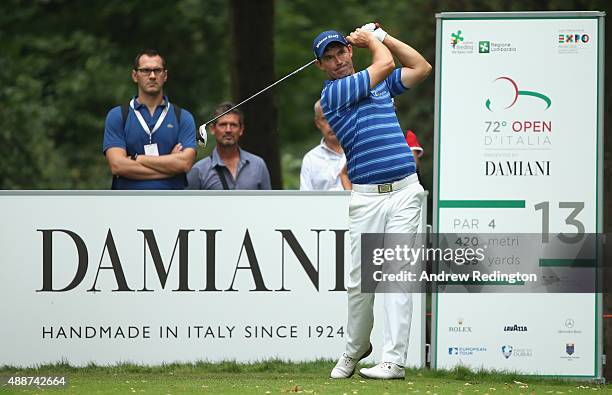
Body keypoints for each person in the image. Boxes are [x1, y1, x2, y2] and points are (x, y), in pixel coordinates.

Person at [313, 23, 431, 379]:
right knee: (360, 283)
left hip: (405, 191)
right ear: (321, 66)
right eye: (328, 58)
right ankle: (355, 349)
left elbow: (421, 67)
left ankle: (393, 361)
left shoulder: (377, 83)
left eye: (341, 52)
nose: (337, 61)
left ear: (349, 53)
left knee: (397, 276)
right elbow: (385, 66)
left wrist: (383, 37)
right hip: (366, 198)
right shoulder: (333, 93)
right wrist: (371, 41)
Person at [103, 49, 197, 189]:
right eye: (146, 70)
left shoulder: (183, 117)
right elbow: (118, 166)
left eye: (157, 70)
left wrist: (136, 158)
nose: (152, 76)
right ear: (135, 76)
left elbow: (185, 164)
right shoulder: (118, 116)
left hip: (172, 205)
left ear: (165, 76)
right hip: (127, 205)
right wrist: (170, 167)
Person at [186, 102, 271, 190]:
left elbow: (269, 202)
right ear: (212, 129)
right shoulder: (199, 171)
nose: (228, 130)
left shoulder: (258, 165)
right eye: (223, 125)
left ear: (241, 130)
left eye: (233, 125)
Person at [300, 100, 348, 191]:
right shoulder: (310, 159)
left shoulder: (358, 151)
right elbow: (305, 199)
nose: (331, 124)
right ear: (317, 123)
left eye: (335, 117)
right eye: (325, 119)